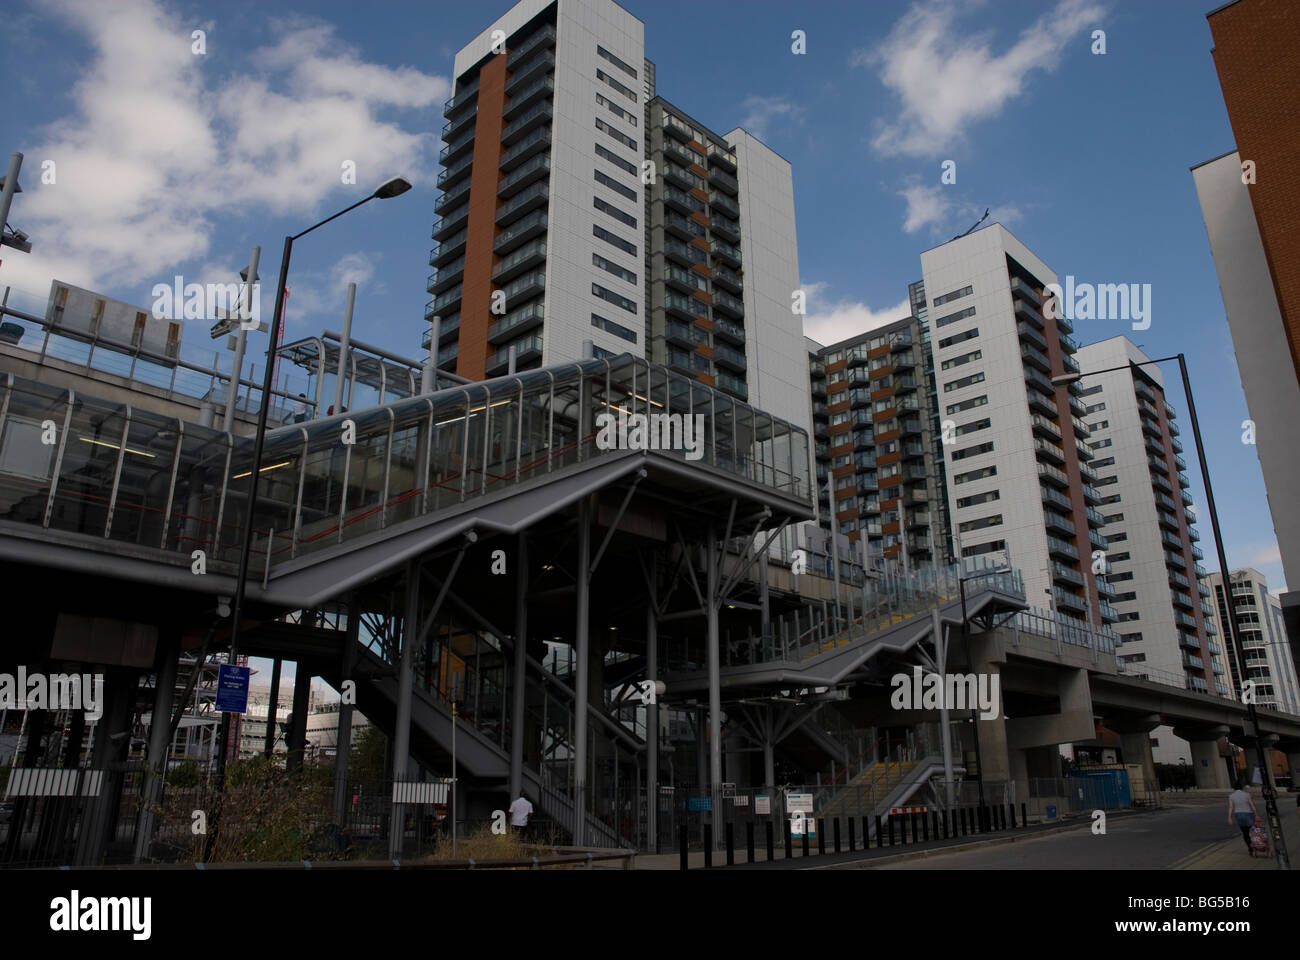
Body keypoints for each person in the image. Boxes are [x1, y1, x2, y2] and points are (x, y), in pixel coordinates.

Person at [1227, 781, 1257, 853]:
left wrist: (1229, 817)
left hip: (1239, 814)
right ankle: (1255, 845)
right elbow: (1252, 805)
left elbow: (1231, 807)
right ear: (1241, 787)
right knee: (1252, 832)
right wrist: (1257, 815)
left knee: (1245, 832)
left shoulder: (1231, 796)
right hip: (1248, 814)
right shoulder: (1247, 794)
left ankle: (1250, 847)